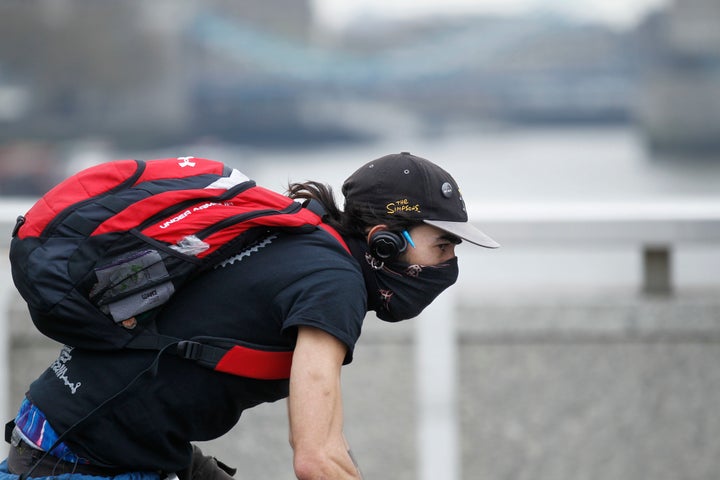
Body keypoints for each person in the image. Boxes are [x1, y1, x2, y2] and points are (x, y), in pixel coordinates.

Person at [1, 152, 499, 480]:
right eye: (443, 245)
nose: (449, 263)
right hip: (80, 460)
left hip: (80, 433)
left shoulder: (302, 239)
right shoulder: (333, 285)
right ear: (385, 241)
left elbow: (326, 438)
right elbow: (316, 456)